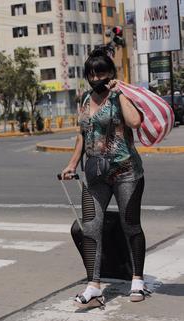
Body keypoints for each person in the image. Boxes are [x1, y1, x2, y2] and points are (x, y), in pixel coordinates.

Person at [62, 49, 148, 306]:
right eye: (91, 73)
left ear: (110, 73)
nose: (96, 76)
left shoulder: (120, 96)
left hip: (127, 172)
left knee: (130, 224)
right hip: (96, 175)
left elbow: (134, 122)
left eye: (101, 71)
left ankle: (137, 280)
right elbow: (82, 134)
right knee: (90, 227)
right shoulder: (86, 99)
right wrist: (72, 163)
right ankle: (94, 285)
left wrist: (119, 92)